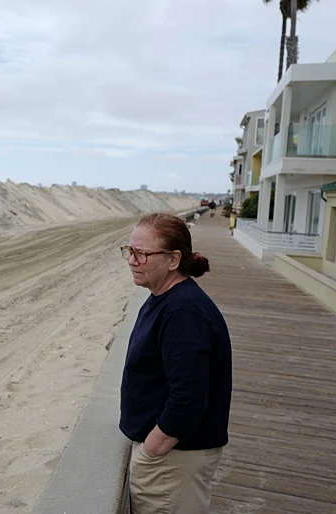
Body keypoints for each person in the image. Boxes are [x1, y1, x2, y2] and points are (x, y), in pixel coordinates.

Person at [119, 213, 232, 514]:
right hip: (170, 460)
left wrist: (151, 452)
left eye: (141, 253)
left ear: (173, 260)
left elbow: (188, 399)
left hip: (173, 462)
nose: (131, 259)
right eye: (129, 250)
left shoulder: (183, 313)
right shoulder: (166, 298)